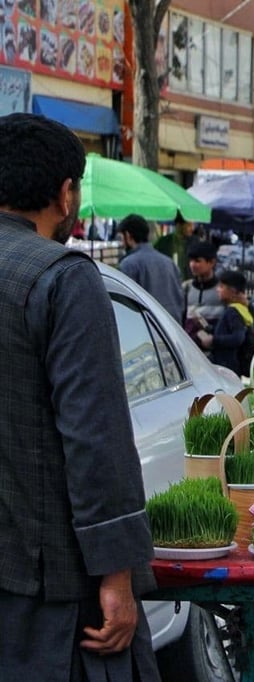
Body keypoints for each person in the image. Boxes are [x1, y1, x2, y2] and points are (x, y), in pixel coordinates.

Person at [0, 113, 158, 679]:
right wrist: (117, 574)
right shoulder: (63, 277)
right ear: (66, 195)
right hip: (53, 594)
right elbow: (95, 439)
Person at [119, 212, 186, 322]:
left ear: (128, 236)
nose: (121, 242)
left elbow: (125, 307)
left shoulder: (128, 264)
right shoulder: (170, 263)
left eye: (121, 238)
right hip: (173, 332)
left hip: (146, 333)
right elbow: (181, 302)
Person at [197, 270, 254, 377]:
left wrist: (213, 340)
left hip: (228, 367)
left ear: (233, 291)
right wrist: (207, 327)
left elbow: (237, 338)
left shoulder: (233, 312)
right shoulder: (240, 309)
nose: (217, 290)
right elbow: (225, 330)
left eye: (221, 287)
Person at [182, 240, 225, 350]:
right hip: (190, 349)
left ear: (212, 262)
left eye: (197, 261)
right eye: (191, 260)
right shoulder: (186, 287)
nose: (192, 265)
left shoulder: (222, 289)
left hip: (215, 350)